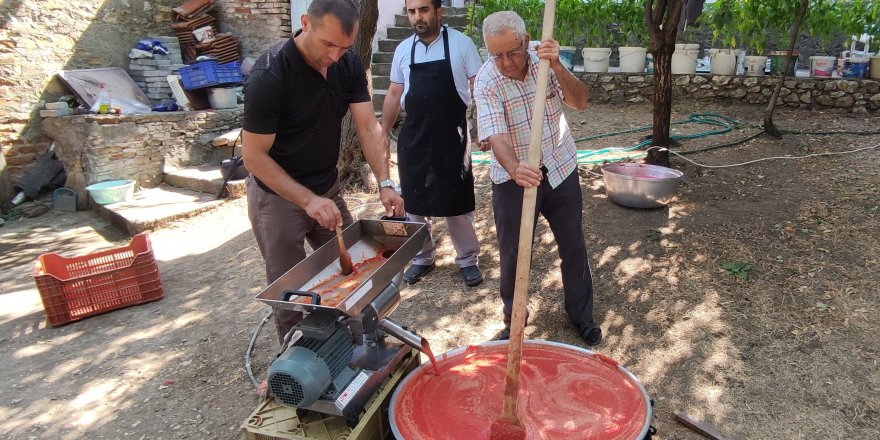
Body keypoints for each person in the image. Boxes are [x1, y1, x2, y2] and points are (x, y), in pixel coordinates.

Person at [242, 0, 404, 344]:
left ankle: (351, 343)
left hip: (325, 187)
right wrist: (307, 200)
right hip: (278, 198)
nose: (334, 55)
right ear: (305, 23)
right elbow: (254, 157)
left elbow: (368, 128)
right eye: (327, 44)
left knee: (351, 271)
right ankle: (295, 362)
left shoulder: (346, 64)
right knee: (290, 290)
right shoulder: (270, 76)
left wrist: (385, 182)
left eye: (344, 47)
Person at [472, 11, 601, 345]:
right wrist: (515, 167)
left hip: (559, 165)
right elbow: (495, 134)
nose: (504, 62)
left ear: (526, 40)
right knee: (513, 253)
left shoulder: (545, 62)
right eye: (496, 54)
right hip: (512, 177)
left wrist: (557, 65)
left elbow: (581, 102)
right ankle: (514, 319)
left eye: (512, 52)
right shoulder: (487, 80)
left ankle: (582, 316)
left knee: (573, 244)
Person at [380, 0, 485, 287]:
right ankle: (422, 257)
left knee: (457, 202)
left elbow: (481, 87)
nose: (417, 17)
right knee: (414, 202)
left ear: (438, 12)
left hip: (453, 136)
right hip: (414, 138)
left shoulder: (462, 44)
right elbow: (393, 93)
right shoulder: (403, 50)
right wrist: (382, 131)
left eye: (423, 10)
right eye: (412, 11)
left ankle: (467, 258)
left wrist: (484, 128)